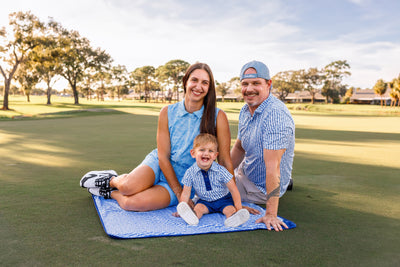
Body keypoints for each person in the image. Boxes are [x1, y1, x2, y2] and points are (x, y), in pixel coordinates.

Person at [80, 63, 234, 212]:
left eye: (205, 83)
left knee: (131, 203)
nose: (198, 86)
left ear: (209, 88)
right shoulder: (167, 112)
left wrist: (231, 200)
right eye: (194, 80)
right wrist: (179, 194)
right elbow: (163, 156)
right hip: (160, 164)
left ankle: (109, 192)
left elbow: (225, 161)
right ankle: (111, 180)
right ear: (185, 81)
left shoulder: (218, 116)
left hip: (184, 182)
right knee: (127, 188)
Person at [230, 60, 295, 231]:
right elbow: (239, 148)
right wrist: (221, 173)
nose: (249, 89)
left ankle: (282, 185)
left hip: (257, 188)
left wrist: (271, 214)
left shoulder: (276, 115)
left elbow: (272, 167)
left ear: (268, 84)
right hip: (245, 173)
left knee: (206, 193)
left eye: (256, 83)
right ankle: (285, 182)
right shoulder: (245, 110)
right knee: (210, 179)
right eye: (245, 84)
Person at [177, 133, 250, 227]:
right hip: (205, 201)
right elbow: (186, 193)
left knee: (229, 209)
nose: (206, 153)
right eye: (202, 150)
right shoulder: (190, 172)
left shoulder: (221, 171)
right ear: (193, 153)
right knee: (198, 208)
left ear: (215, 155)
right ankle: (192, 217)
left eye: (210, 151)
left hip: (223, 199)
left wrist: (239, 208)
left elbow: (233, 190)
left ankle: (234, 218)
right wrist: (182, 206)